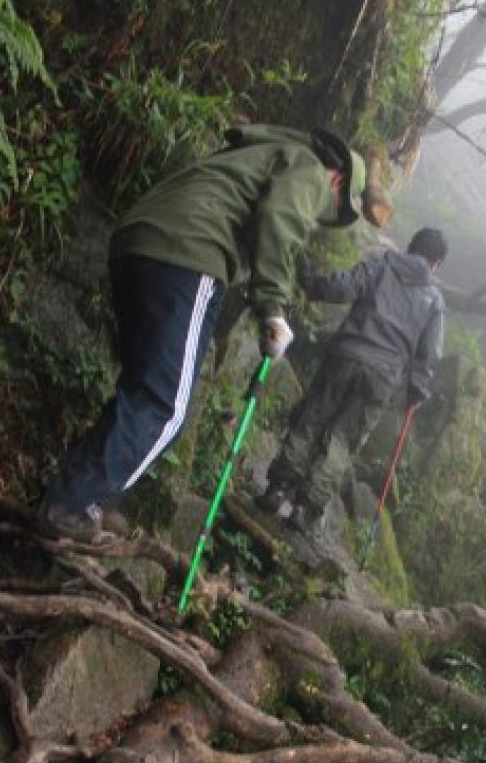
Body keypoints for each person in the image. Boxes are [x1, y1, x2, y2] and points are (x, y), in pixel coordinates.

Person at [38, 124, 370, 542]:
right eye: (333, 208)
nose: (323, 217)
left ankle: (94, 497)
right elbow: (280, 219)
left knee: (142, 389)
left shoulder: (261, 153)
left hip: (137, 241)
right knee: (166, 403)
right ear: (336, 177)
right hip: (191, 252)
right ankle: (71, 503)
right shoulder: (308, 166)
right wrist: (273, 307)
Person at [256, 226, 448, 533]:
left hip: (346, 354)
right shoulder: (434, 302)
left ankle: (277, 488)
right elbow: (429, 355)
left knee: (312, 418)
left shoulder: (383, 263)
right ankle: (305, 510)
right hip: (382, 377)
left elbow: (343, 287)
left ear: (411, 247)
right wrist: (418, 389)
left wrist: (311, 279)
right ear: (436, 264)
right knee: (343, 441)